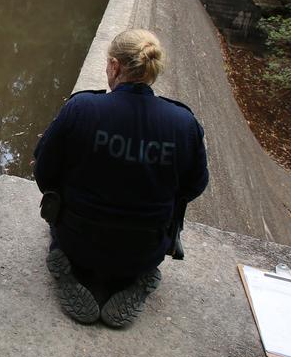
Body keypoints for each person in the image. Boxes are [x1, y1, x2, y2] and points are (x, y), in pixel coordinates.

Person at [33, 29, 209, 328]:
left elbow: (44, 172)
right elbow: (194, 186)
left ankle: (69, 272)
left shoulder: (82, 108)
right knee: (145, 241)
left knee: (61, 231)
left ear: (115, 66)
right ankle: (137, 279)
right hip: (145, 249)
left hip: (78, 240)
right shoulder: (183, 123)